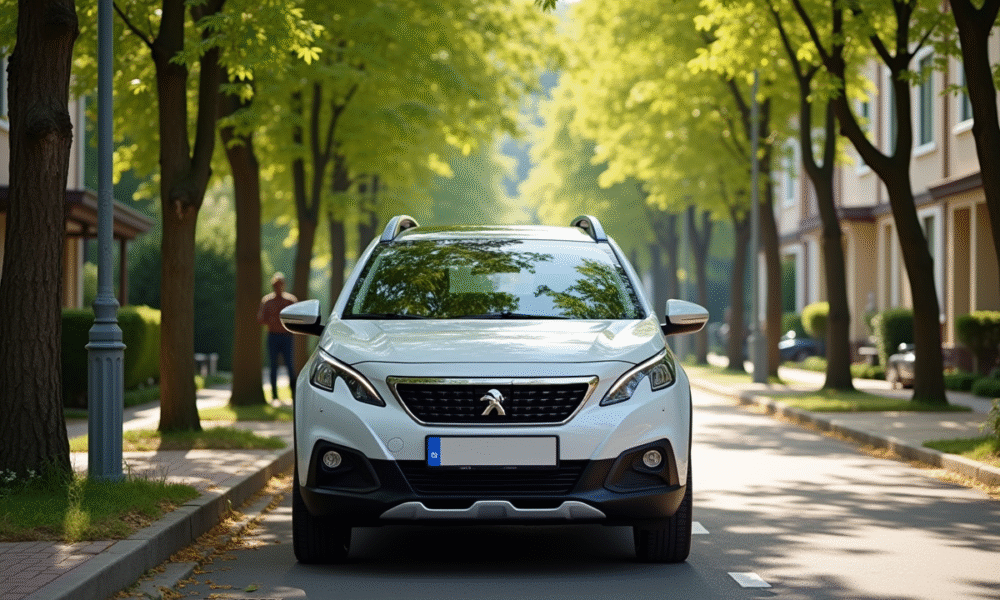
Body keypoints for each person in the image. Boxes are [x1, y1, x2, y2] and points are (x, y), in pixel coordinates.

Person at [258, 273, 298, 402]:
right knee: (273, 366)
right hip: (273, 337)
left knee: (290, 366)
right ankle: (274, 396)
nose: (278, 287)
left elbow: (297, 318)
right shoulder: (267, 301)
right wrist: (273, 319)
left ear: (284, 285)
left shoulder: (291, 301)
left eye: (280, 285)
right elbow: (261, 319)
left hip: (287, 337)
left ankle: (293, 394)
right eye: (276, 285)